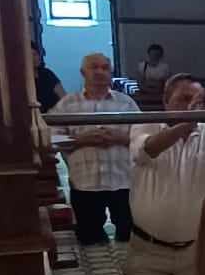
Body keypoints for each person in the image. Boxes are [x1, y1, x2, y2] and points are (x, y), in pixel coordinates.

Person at [123, 75, 205, 275]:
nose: (192, 106)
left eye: (199, 102)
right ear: (166, 100)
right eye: (184, 99)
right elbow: (147, 150)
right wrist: (186, 125)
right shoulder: (147, 124)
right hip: (148, 251)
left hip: (195, 249)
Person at [53, 52, 140, 246]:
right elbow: (53, 138)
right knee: (90, 239)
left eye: (105, 68)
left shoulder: (126, 102)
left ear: (111, 72)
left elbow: (143, 137)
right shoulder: (67, 104)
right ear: (82, 72)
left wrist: (120, 138)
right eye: (94, 67)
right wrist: (80, 140)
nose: (100, 72)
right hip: (85, 182)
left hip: (123, 181)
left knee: (130, 237)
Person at [32, 43, 64, 114]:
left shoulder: (47, 73)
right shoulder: (23, 80)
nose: (35, 57)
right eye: (31, 55)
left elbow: (63, 96)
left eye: (36, 54)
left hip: (56, 115)